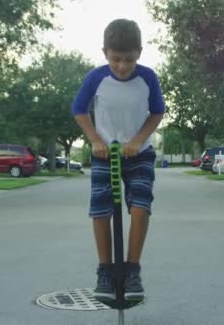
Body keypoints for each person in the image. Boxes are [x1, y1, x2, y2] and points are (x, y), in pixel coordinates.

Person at [71, 19, 165, 303]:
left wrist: (137, 141)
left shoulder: (148, 78)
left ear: (139, 52)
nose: (123, 66)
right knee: (101, 208)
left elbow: (157, 112)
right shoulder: (96, 78)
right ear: (104, 53)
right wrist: (95, 140)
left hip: (139, 153)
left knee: (140, 206)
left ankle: (132, 269)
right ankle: (106, 270)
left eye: (129, 59)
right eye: (116, 59)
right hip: (105, 153)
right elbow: (79, 109)